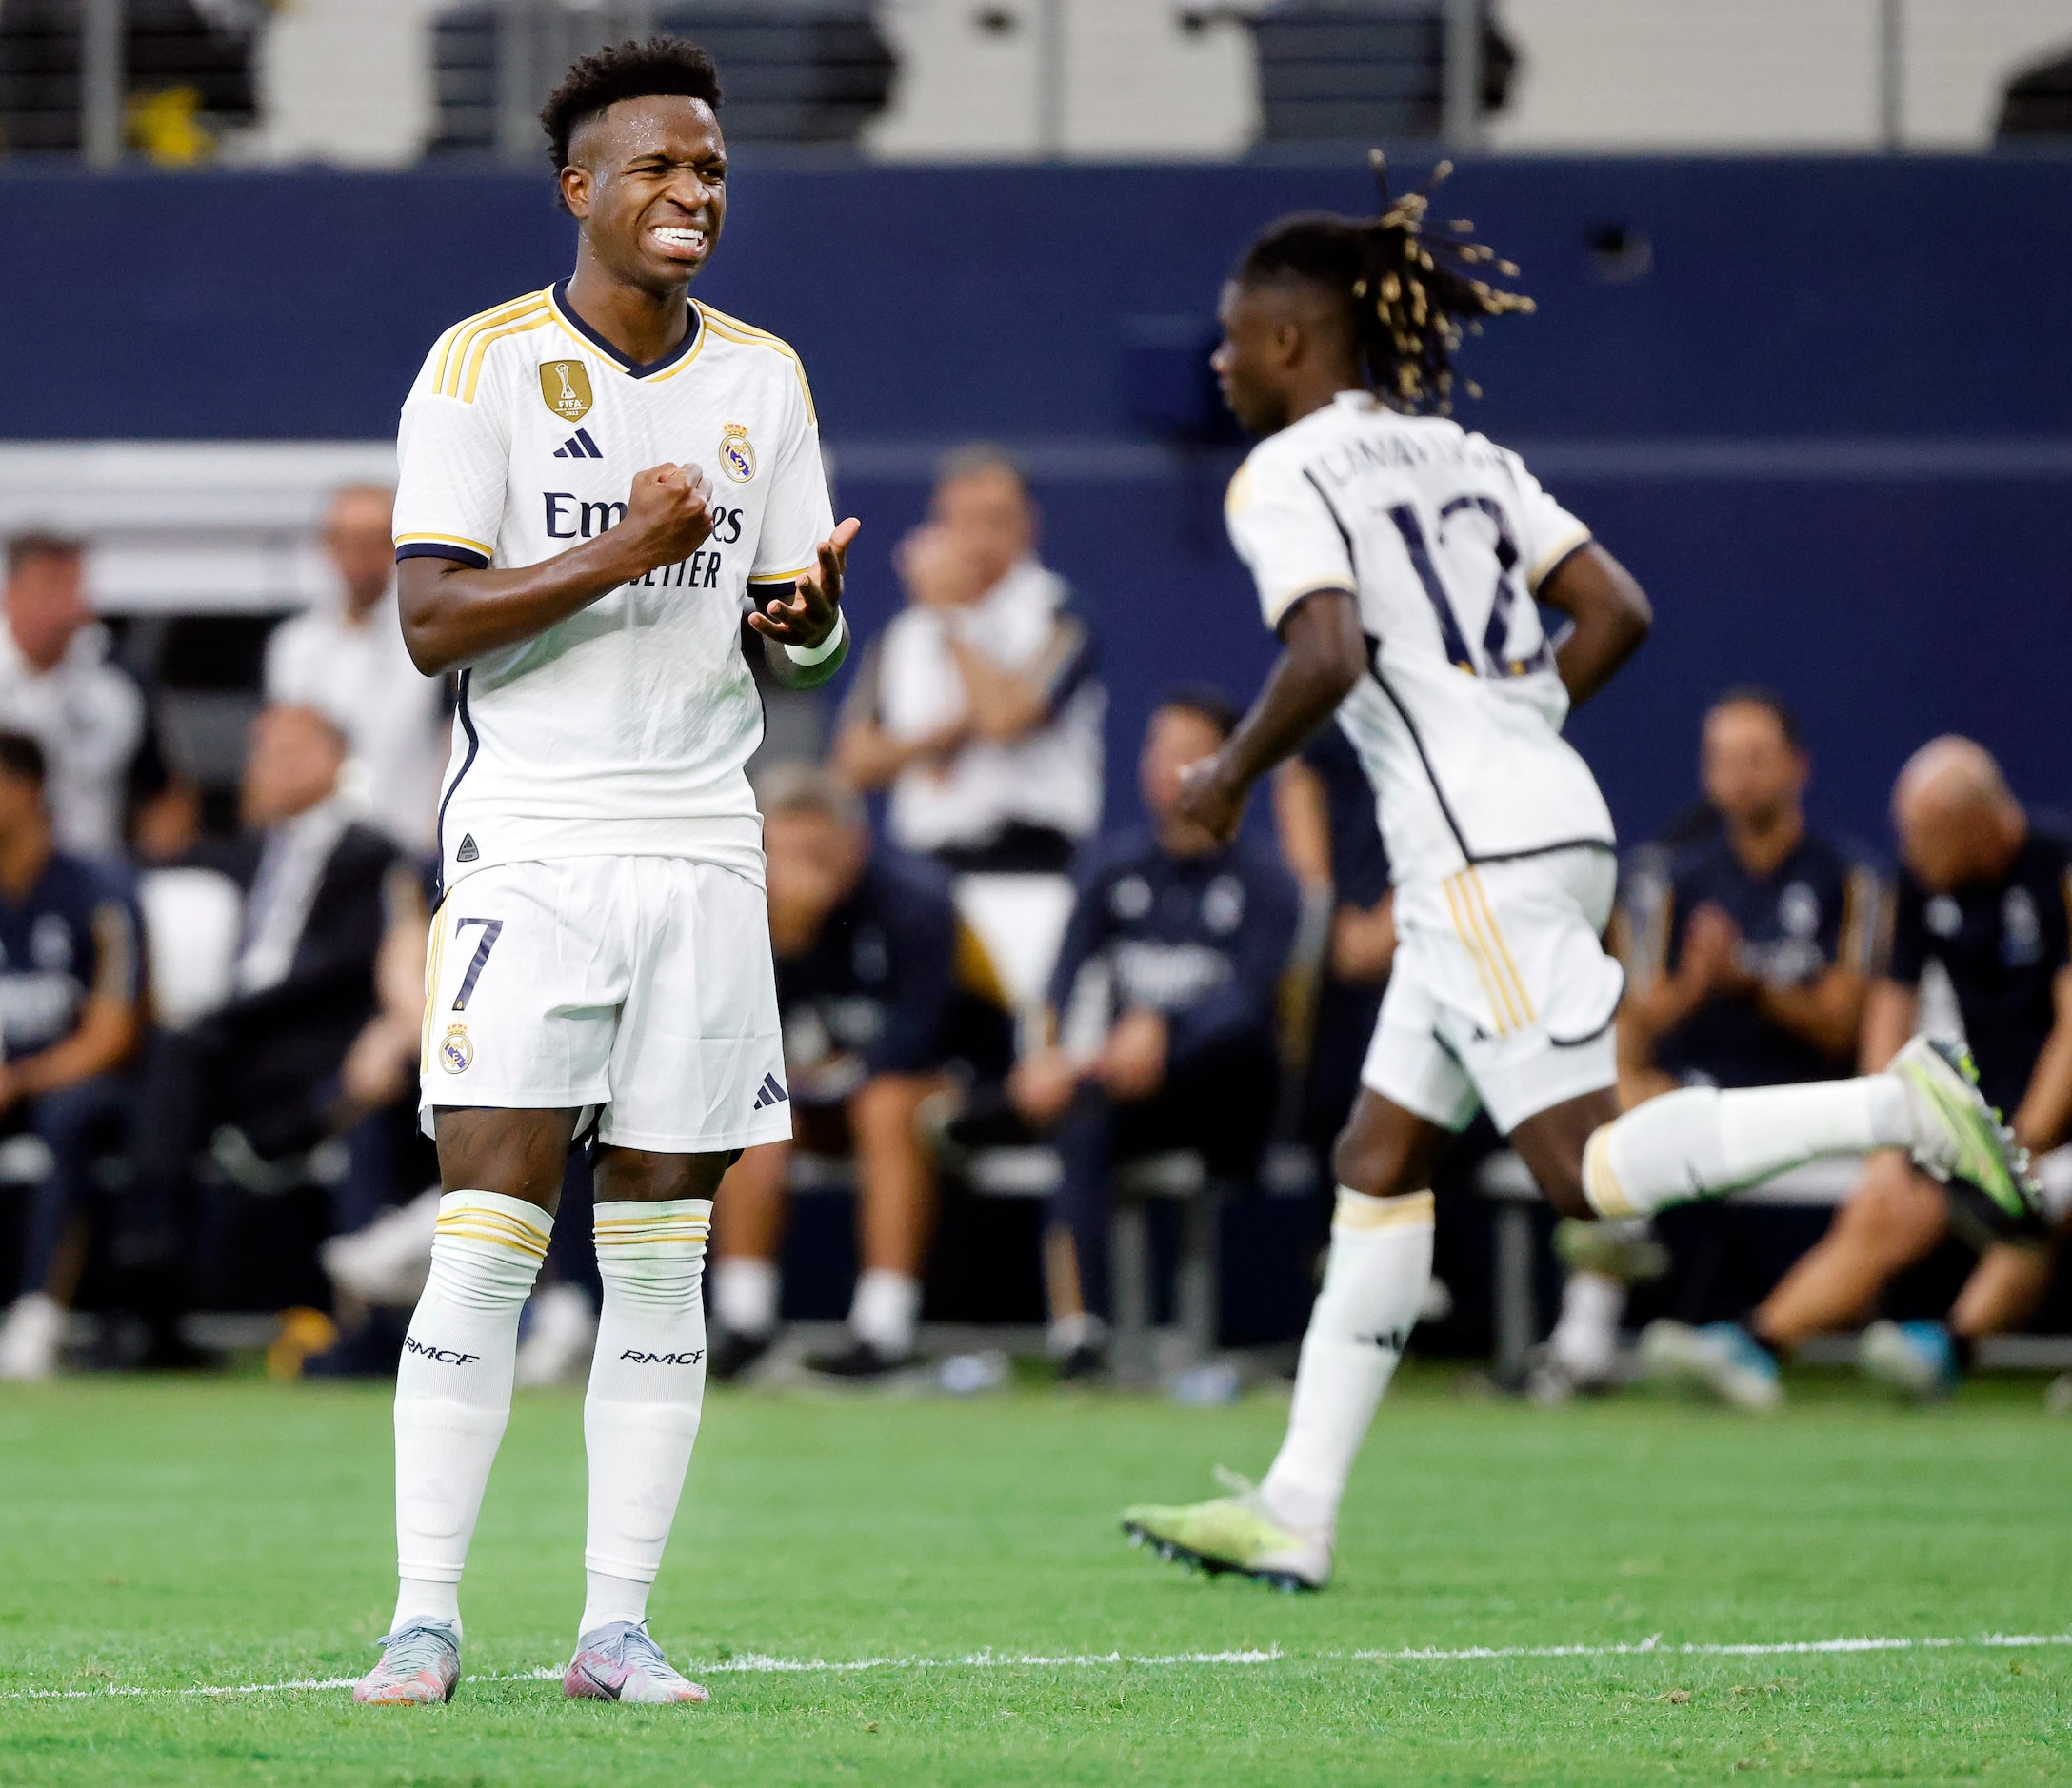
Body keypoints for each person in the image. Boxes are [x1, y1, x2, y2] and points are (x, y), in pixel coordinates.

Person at [1114, 158, 2036, 1593]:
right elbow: (1615, 609)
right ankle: (1298, 1500)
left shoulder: (1282, 471)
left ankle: (1899, 1101)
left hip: (1474, 849)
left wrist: (1225, 777)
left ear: (1293, 340)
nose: (1223, 363)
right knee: (1378, 1159)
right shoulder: (1465, 456)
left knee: (1588, 1172)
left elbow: (1327, 652)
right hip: (1531, 819)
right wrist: (1517, 723)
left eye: (1237, 338)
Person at [357, 37, 857, 1708]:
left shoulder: (764, 382)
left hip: (709, 845)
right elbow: (430, 620)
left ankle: (614, 1624)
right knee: (491, 1231)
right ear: (579, 188)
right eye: (654, 168)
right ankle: (423, 1614)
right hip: (539, 847)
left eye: (708, 171)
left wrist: (808, 620)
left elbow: (790, 630)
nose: (689, 195)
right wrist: (625, 549)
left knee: (662, 1247)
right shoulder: (479, 367)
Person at [1644, 738, 2072, 1407]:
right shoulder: (1921, 881)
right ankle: (1757, 1345)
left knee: (2039, 1203)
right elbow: (1891, 1008)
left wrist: (2031, 1139)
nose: (1912, 852)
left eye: (1926, 837)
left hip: (2058, 1114)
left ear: (1980, 825)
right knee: (1887, 1202)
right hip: (1996, 1105)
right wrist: (1886, 1126)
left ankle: (1952, 1345)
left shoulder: (2059, 869)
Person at [1533, 689, 1876, 1400]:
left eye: (1757, 757)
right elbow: (1632, 1021)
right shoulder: (1668, 879)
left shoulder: (1848, 877)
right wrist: (1696, 983)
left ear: (1797, 767)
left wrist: (1750, 980)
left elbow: (1846, 1028)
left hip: (1802, 1098)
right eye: (1723, 759)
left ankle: (1749, 1342)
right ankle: (1584, 1341)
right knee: (1614, 1101)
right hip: (1693, 1088)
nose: (1740, 775)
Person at [1010, 689, 1298, 1377]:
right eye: (1155, 748)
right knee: (1078, 1121)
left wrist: (1164, 1028)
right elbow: (1060, 982)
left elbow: (1251, 1005)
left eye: (1186, 752)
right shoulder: (1113, 869)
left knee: (1229, 1042)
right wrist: (1046, 1061)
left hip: (1229, 1103)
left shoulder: (1267, 881)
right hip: (1125, 1088)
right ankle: (1079, 1336)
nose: (1165, 766)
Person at [707, 764, 1013, 1381]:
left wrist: (820, 1076)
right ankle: (744, 1318)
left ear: (856, 844)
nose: (798, 873)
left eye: (816, 853)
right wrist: (786, 945)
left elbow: (916, 1040)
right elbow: (735, 1035)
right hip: (833, 1087)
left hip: (962, 1086)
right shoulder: (751, 912)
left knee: (885, 1104)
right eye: (781, 854)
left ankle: (884, 1325)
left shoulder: (919, 903)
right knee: (752, 1102)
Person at [114, 705, 408, 1350]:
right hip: (238, 1047)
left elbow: (345, 971)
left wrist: (231, 1016)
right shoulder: (245, 856)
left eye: (278, 751)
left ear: (330, 760)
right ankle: (151, 1263)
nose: (259, 768)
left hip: (315, 1043)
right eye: (259, 753)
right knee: (169, 1051)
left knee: (184, 1051)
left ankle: (152, 1247)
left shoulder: (375, 854)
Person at [832, 447, 1102, 872]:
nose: (979, 539)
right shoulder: (903, 632)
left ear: (1028, 525)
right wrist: (941, 740)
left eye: (996, 520)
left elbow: (1005, 721)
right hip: (925, 866)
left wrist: (951, 616)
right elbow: (853, 762)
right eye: (962, 521)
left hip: (1033, 865)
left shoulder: (1061, 614)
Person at [0, 733, 146, 1381]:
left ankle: (39, 1313)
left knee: (69, 1120)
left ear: (25, 792)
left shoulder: (97, 891)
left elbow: (113, 1031)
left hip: (78, 1080)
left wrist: (22, 1077)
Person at [266, 485, 450, 855]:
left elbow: (451, 743)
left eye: (372, 540)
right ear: (327, 546)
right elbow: (280, 759)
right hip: (314, 860)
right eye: (346, 540)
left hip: (406, 851)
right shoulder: (294, 646)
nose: (359, 556)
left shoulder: (434, 638)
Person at [0, 534, 146, 860]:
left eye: (75, 588)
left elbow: (159, 794)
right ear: (11, 595)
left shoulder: (117, 680)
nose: (69, 607)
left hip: (90, 872)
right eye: (52, 588)